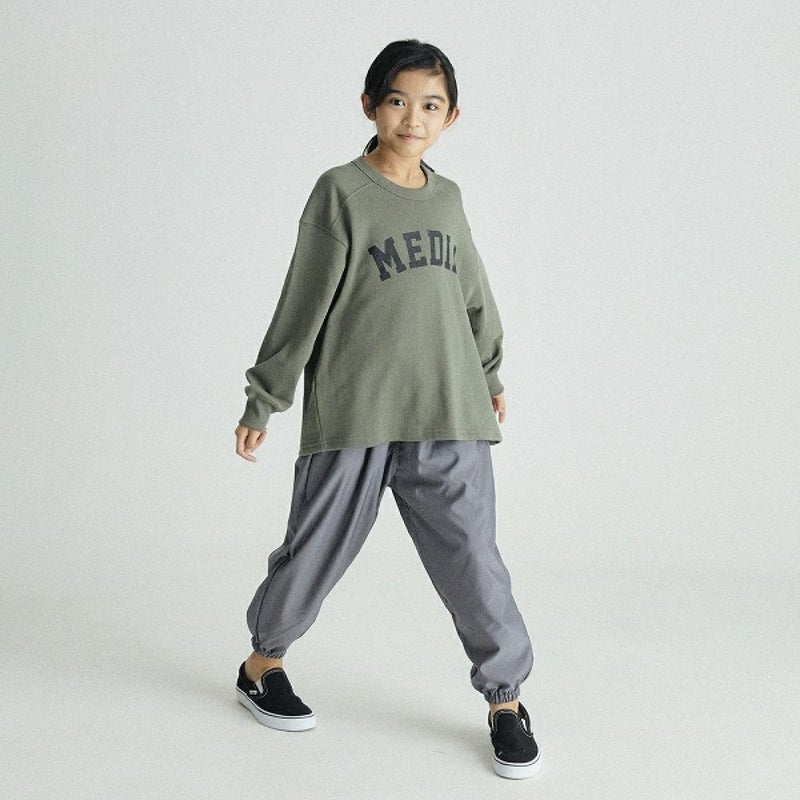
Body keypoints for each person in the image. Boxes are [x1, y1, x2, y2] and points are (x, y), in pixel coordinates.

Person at [233, 39, 540, 780]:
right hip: (357, 409)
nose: (413, 118)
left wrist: (489, 369)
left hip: (449, 407)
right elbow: (302, 302)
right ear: (370, 105)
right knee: (317, 547)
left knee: (473, 560)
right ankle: (262, 664)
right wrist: (265, 398)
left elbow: (472, 291)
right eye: (398, 101)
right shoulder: (340, 192)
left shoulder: (448, 197)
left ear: (451, 117)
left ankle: (506, 700)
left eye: (431, 105)